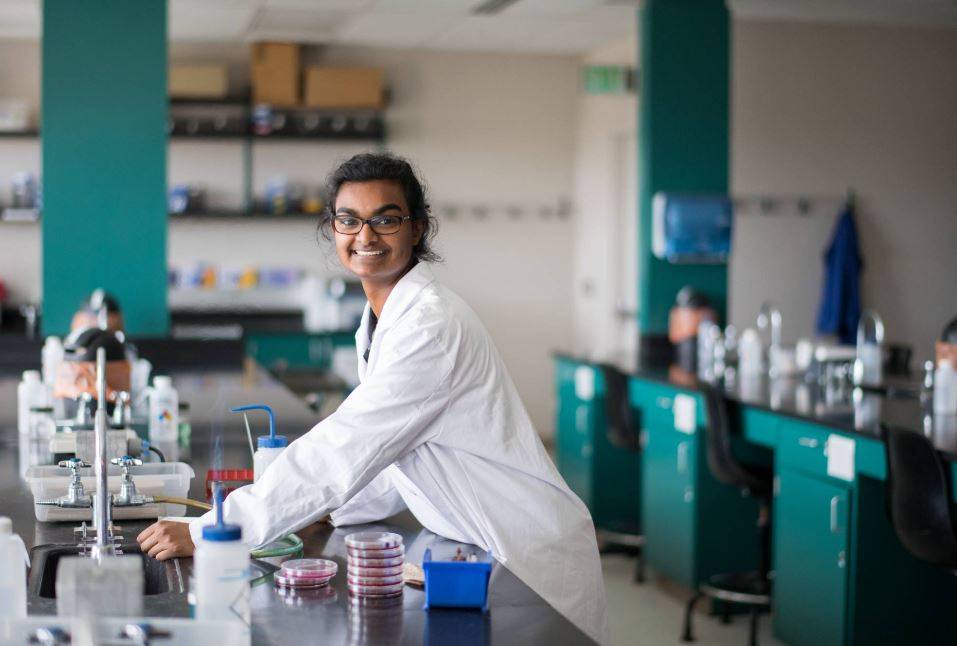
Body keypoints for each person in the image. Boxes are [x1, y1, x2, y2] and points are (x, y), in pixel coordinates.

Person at [136, 153, 608, 643]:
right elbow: (392, 455)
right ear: (332, 229)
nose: (365, 236)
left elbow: (345, 448)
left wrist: (213, 531)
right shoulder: (384, 319)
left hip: (528, 556)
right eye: (349, 220)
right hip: (480, 544)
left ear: (417, 228)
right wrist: (328, 508)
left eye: (385, 219)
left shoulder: (430, 327)